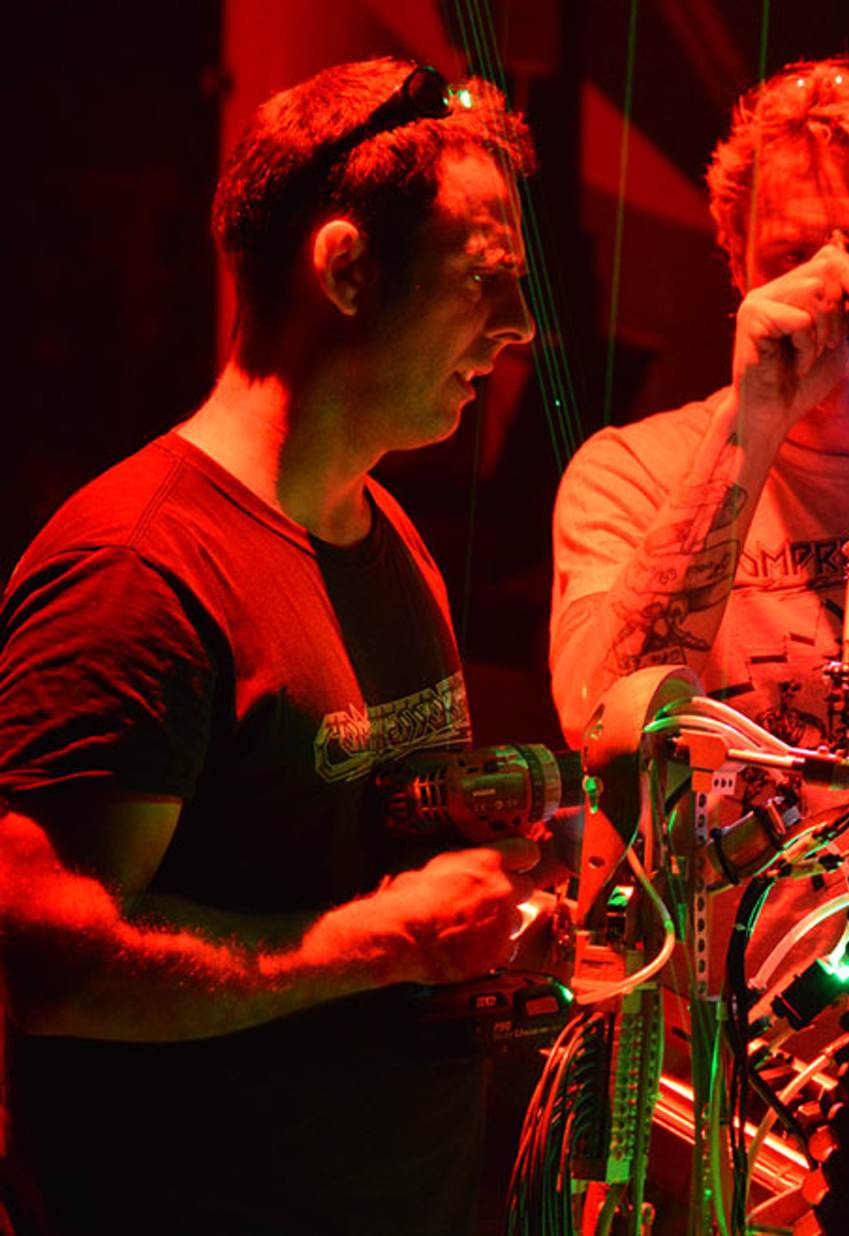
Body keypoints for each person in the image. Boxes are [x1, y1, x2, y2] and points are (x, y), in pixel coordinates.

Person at [0, 58, 540, 1234]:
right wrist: (368, 945)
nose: (517, 326)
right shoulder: (138, 566)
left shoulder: (385, 529)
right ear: (344, 270)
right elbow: (51, 968)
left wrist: (488, 861)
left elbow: (351, 839)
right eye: (482, 279)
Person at [550, 54, 849, 753]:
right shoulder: (629, 471)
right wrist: (751, 429)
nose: (839, 285)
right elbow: (594, 719)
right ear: (737, 266)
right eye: (792, 255)